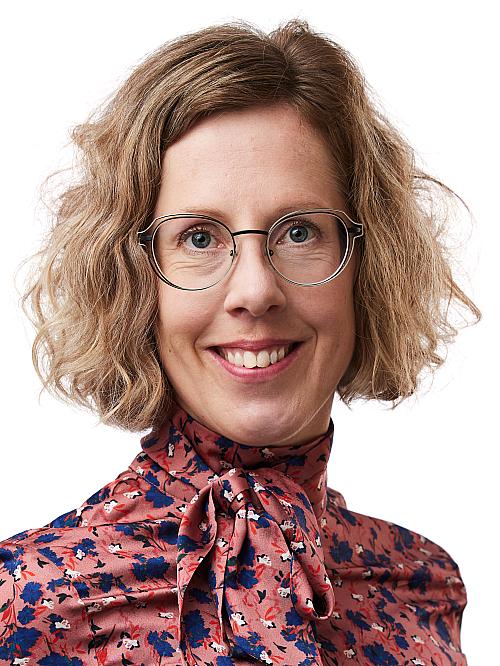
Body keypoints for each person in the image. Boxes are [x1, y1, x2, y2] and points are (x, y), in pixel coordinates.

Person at [0, 18, 479, 666]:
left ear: (369, 265)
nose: (255, 290)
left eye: (300, 232)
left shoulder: (421, 589)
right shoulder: (26, 602)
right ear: (133, 281)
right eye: (198, 238)